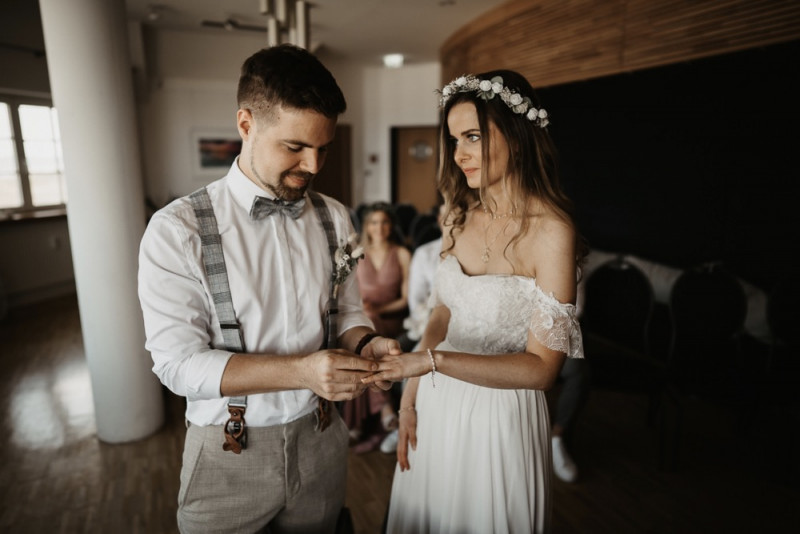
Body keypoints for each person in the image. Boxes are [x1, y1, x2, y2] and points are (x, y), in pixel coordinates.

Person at [137, 44, 399, 534]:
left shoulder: (335, 216)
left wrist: (365, 342)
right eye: (295, 147)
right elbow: (176, 364)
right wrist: (302, 370)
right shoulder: (177, 229)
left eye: (324, 147)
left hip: (322, 440)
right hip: (228, 451)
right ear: (245, 125)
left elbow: (345, 310)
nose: (314, 165)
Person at [364, 70, 587, 533]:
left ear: (519, 138)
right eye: (453, 139)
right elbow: (443, 310)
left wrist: (428, 363)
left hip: (501, 417)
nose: (459, 154)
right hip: (435, 404)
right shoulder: (458, 216)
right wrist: (410, 399)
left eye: (473, 137)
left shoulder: (551, 233)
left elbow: (543, 369)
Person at [341, 202, 411, 453]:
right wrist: (366, 311)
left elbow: (406, 299)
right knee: (362, 336)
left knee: (365, 339)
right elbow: (347, 297)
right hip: (362, 320)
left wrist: (378, 310)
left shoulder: (402, 254)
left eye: (384, 222)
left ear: (391, 226)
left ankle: (356, 424)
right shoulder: (357, 254)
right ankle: (385, 410)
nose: (379, 227)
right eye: (373, 222)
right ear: (366, 227)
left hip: (390, 319)